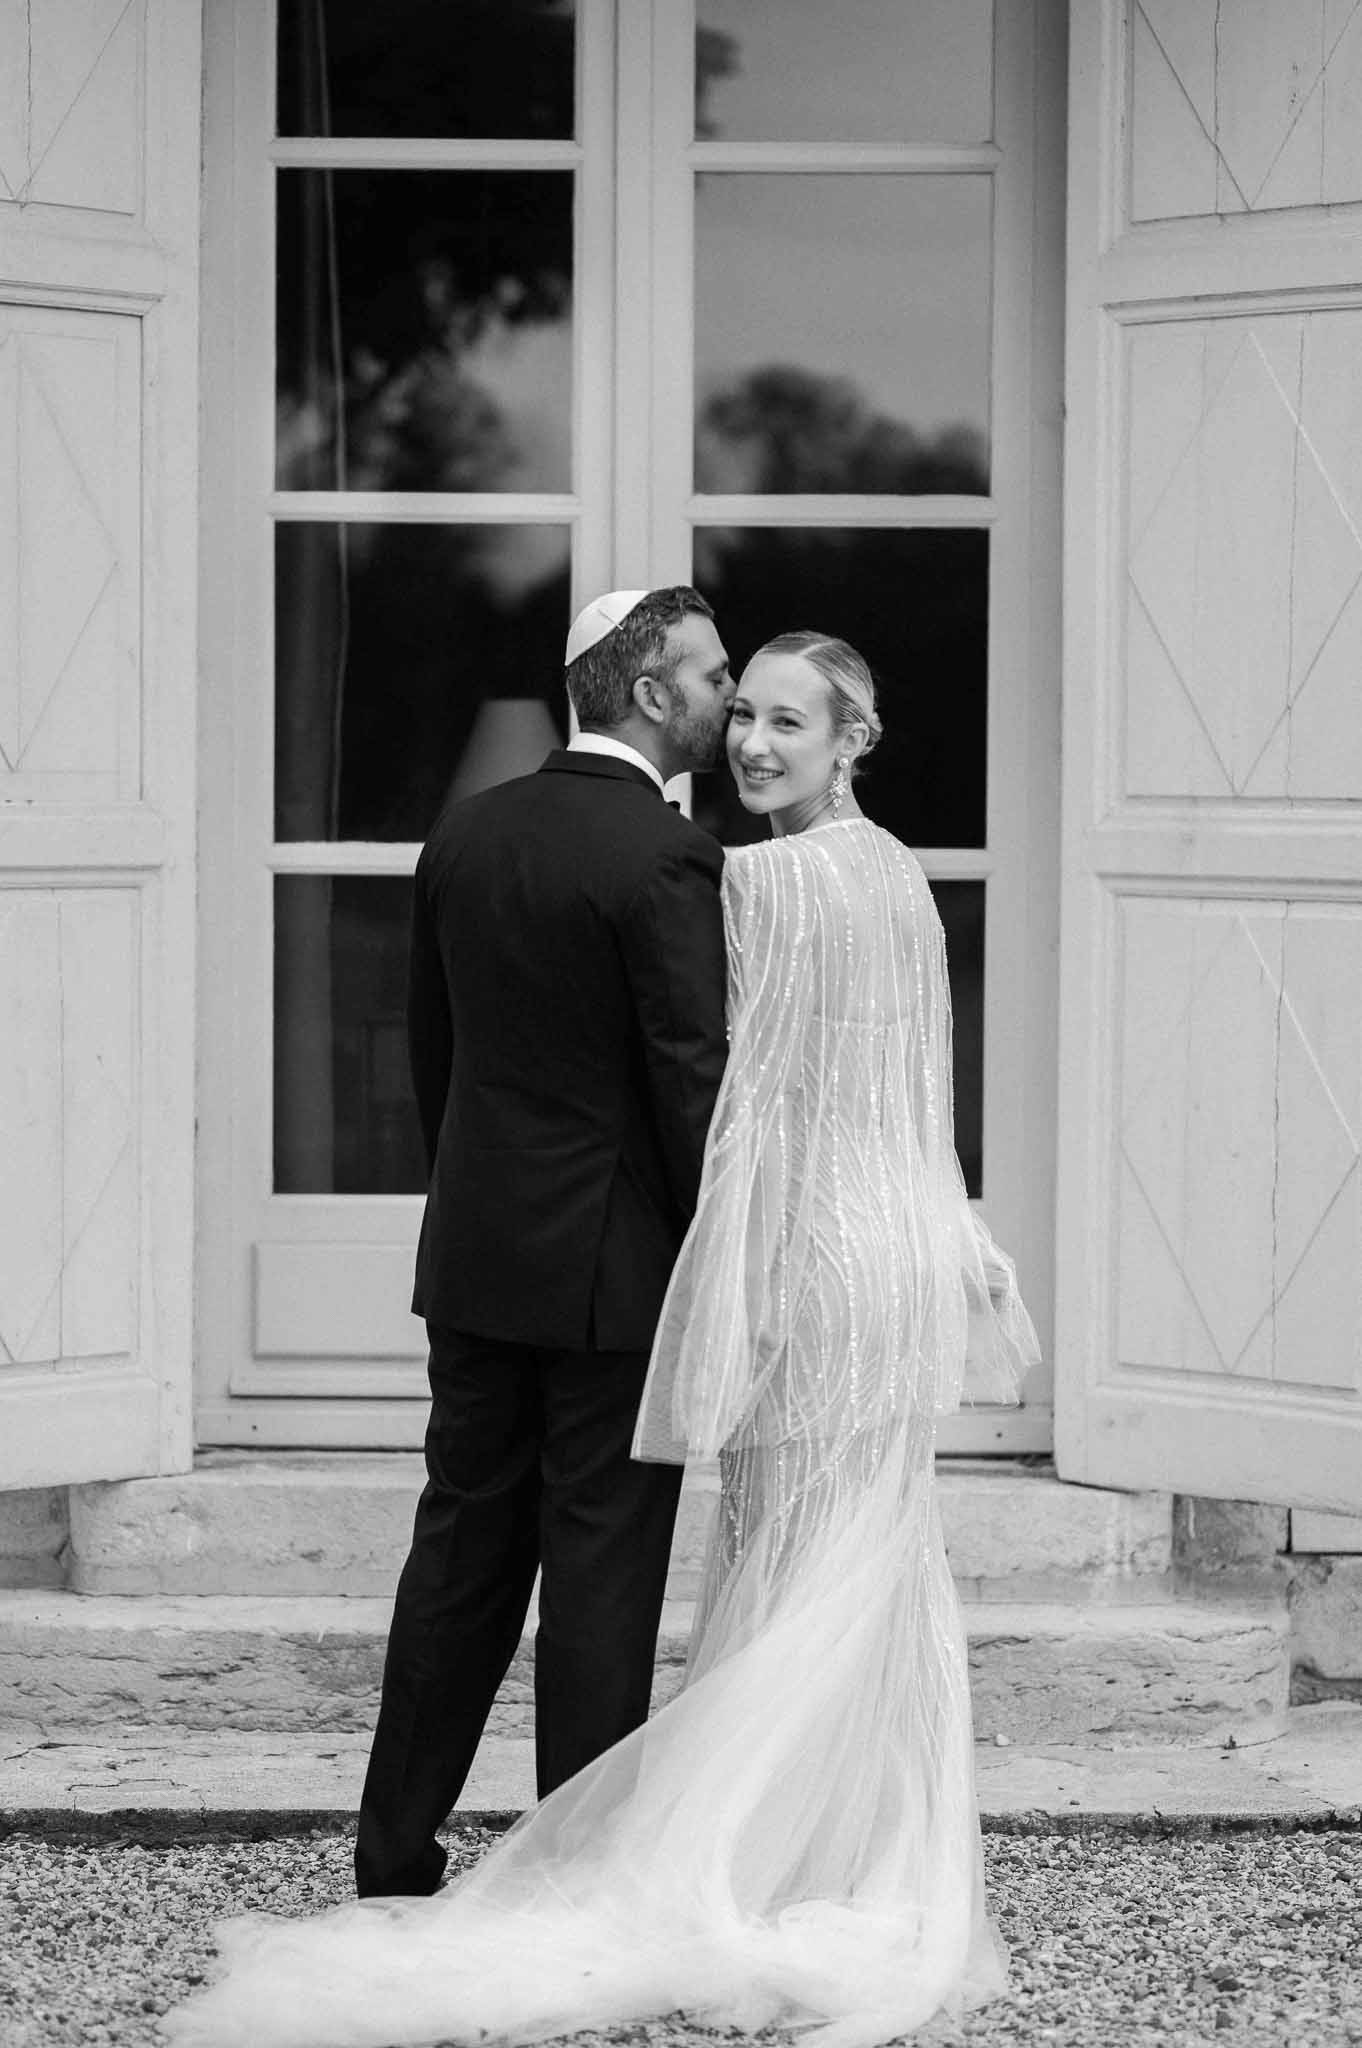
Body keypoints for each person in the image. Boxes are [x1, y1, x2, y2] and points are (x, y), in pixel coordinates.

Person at [167, 631, 1039, 2048]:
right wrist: (951, 1240)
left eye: (783, 720)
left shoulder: (546, 845)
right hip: (871, 1251)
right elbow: (806, 1084)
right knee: (827, 1569)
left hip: (719, 1258)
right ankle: (837, 1858)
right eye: (737, 705)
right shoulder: (885, 875)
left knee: (642, 1562)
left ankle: (504, 1860)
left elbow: (690, 1097)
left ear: (850, 739)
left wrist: (718, 1277)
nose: (746, 735)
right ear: (654, 692)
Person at [352, 584, 735, 1899]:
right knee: (598, 1583)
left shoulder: (465, 832)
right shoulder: (667, 857)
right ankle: (577, 1885)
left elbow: (437, 1058)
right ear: (649, 692)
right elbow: (690, 1087)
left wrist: (476, 1204)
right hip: (612, 1282)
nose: (727, 695)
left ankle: (392, 1855)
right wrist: (716, 1262)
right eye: (709, 673)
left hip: (477, 1257)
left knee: (458, 1556)